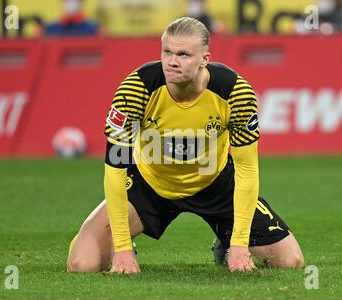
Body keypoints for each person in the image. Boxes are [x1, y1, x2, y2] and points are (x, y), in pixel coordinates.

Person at [67, 17, 304, 274]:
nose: (172, 61)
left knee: (289, 261)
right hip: (150, 185)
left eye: (183, 54)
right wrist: (121, 248)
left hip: (215, 184)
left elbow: (247, 170)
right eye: (167, 52)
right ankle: (125, 243)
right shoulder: (136, 90)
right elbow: (115, 168)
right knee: (82, 264)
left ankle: (225, 244)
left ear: (205, 58)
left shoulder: (235, 93)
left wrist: (238, 245)